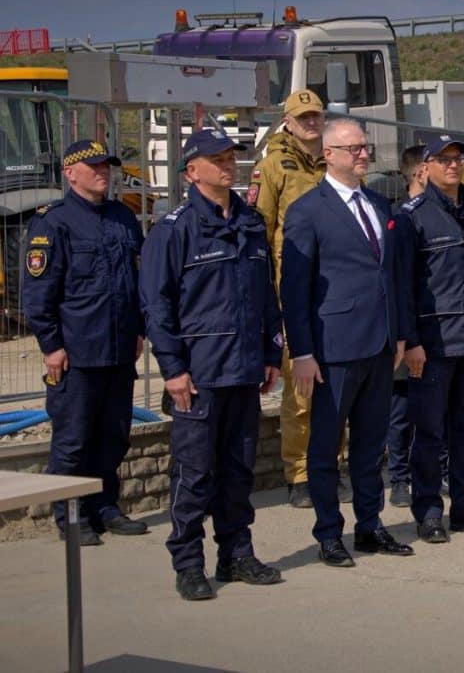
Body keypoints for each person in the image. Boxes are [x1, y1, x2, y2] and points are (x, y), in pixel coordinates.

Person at [140, 129, 283, 600]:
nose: (227, 165)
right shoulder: (174, 229)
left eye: (230, 157)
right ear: (191, 171)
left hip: (243, 370)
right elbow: (158, 308)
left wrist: (268, 355)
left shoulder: (248, 222)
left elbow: (265, 296)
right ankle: (188, 562)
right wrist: (174, 370)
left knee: (238, 470)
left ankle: (236, 554)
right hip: (199, 375)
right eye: (216, 158)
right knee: (195, 473)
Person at [280, 118, 412, 566]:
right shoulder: (307, 209)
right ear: (329, 154)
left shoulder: (379, 203)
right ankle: (329, 533)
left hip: (378, 345)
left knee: (371, 445)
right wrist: (302, 351)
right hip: (332, 348)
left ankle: (370, 526)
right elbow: (294, 288)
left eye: (364, 146)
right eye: (352, 147)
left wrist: (399, 334)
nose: (362, 153)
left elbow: (390, 276)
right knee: (325, 447)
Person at [22, 140, 148, 546]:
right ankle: (71, 517)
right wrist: (51, 345)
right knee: (73, 439)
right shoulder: (53, 222)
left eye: (106, 166)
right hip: (76, 352)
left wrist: (139, 331)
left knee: (114, 434)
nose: (102, 172)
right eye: (92, 166)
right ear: (69, 172)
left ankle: (105, 505)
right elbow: (39, 293)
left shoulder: (123, 218)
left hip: (118, 348)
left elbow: (137, 282)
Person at [395, 133, 464, 543]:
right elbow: (402, 285)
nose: (452, 165)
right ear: (425, 167)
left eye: (457, 158)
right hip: (435, 345)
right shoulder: (412, 216)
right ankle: (427, 512)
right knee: (429, 433)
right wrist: (411, 340)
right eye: (443, 159)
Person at [247, 89, 352, 508]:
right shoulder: (273, 167)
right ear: (287, 122)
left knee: (339, 389)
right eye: (303, 117)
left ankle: (334, 464)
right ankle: (301, 472)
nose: (311, 122)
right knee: (302, 391)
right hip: (294, 294)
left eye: (316, 116)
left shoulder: (335, 165)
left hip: (336, 291)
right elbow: (260, 228)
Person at [386, 144, 428, 508]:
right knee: (399, 413)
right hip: (405, 328)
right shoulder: (399, 219)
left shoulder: (441, 215)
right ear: (420, 173)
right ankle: (398, 478)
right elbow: (398, 282)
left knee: (429, 412)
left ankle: (429, 473)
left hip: (432, 333)